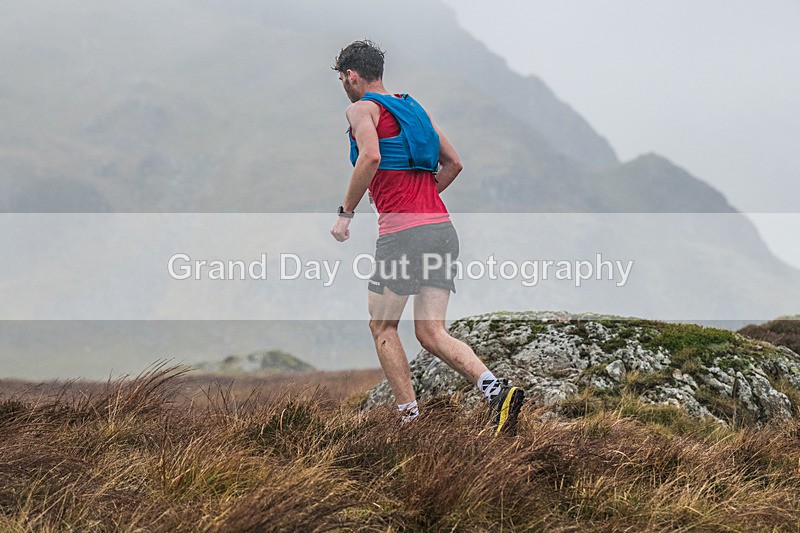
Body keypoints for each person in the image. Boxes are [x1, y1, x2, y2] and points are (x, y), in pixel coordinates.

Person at [330, 39, 524, 435]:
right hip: (442, 230)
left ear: (351, 76)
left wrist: (345, 214)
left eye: (342, 80)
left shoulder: (361, 108)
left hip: (403, 235)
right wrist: (424, 197)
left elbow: (370, 157)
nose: (344, 87)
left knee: (382, 327)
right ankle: (494, 391)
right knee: (431, 330)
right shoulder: (413, 108)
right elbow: (454, 164)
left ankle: (409, 423)